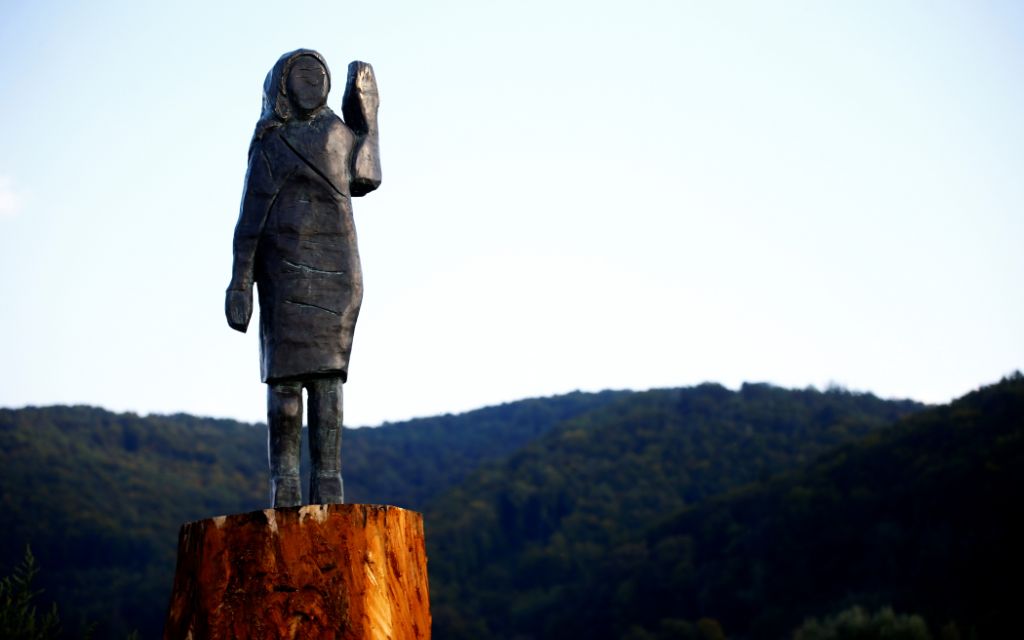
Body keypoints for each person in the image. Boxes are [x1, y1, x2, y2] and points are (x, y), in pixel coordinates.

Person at [225, 49, 381, 507]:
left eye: (320, 77)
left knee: (330, 380)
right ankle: (285, 481)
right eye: (304, 77)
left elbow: (367, 177)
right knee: (286, 383)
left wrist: (368, 117)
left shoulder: (338, 133)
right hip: (283, 270)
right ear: (284, 86)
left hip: (336, 269)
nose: (313, 85)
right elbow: (249, 219)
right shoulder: (272, 144)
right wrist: (240, 282)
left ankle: (329, 479)